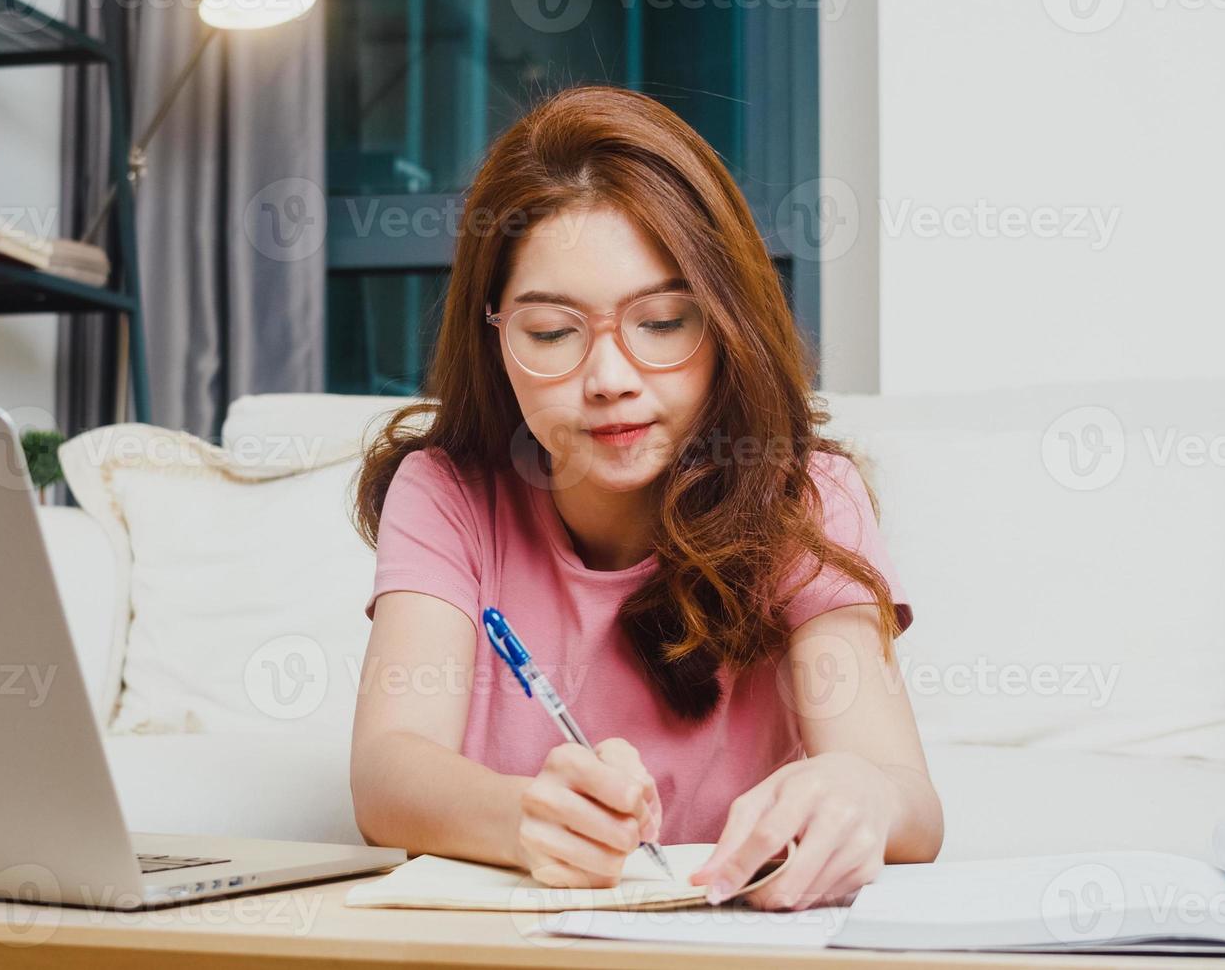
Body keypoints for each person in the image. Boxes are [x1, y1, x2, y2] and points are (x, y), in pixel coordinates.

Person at [348, 84, 941, 911]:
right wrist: (523, 817)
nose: (611, 381)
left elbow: (911, 802)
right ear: (493, 339)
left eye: (662, 323)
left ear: (727, 321)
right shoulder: (449, 494)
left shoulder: (805, 496)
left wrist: (863, 796)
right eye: (552, 333)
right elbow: (387, 774)